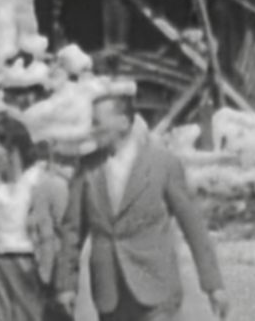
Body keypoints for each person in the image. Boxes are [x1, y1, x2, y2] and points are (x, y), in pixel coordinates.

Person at [55, 85, 229, 320]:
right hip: (110, 294)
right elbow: (72, 232)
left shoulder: (162, 164)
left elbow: (194, 227)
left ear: (124, 122)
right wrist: (66, 285)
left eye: (98, 122)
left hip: (156, 288)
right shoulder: (87, 169)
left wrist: (213, 285)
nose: (92, 130)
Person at [0, 111, 66, 321]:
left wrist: (62, 283)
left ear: (11, 149)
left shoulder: (44, 184)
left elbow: (66, 234)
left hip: (31, 267)